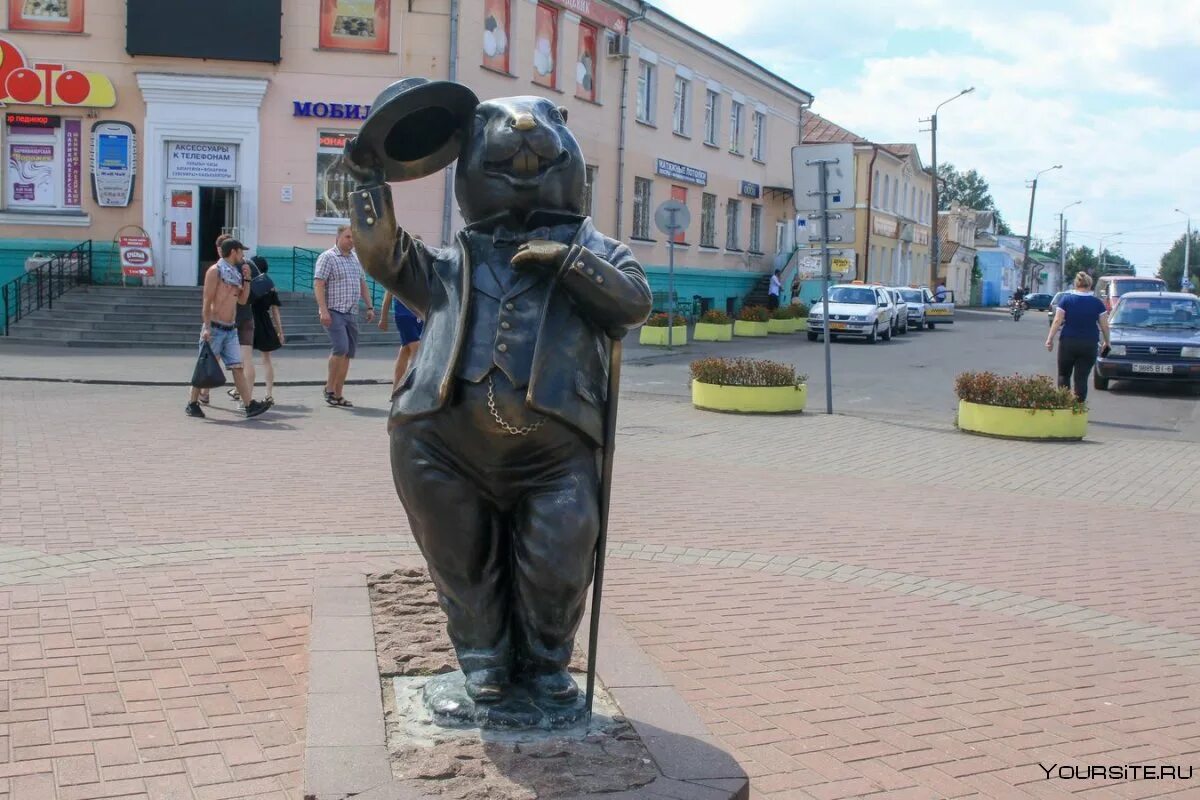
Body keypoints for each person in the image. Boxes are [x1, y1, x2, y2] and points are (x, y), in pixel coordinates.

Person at [185, 239, 271, 419]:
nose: (244, 256)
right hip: (215, 328)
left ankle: (249, 405)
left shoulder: (237, 273)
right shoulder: (215, 271)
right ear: (233, 252)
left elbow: (242, 300)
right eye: (241, 252)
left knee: (237, 367)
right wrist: (207, 327)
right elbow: (206, 301)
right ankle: (192, 403)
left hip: (230, 329)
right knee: (204, 366)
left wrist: (247, 279)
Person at [314, 225, 376, 407]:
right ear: (338, 237)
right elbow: (318, 284)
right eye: (348, 237)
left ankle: (338, 394)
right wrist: (323, 310)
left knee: (348, 353)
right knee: (340, 348)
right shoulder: (327, 257)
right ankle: (329, 388)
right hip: (334, 312)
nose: (352, 241)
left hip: (352, 312)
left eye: (354, 238)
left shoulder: (355, 258)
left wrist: (370, 306)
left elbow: (362, 283)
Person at [1046, 271, 1110, 402]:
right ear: (1089, 285)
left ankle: (1064, 404)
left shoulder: (1066, 300)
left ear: (1076, 284)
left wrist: (1050, 339)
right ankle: (1078, 408)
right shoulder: (1097, 303)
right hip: (1089, 343)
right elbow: (1104, 325)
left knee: (1064, 375)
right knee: (1081, 378)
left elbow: (1057, 321)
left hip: (1068, 342)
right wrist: (1107, 342)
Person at [249, 255, 284, 404]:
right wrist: (280, 331)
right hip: (265, 323)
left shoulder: (249, 283)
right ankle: (269, 394)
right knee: (267, 360)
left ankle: (245, 394)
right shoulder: (270, 285)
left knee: (245, 360)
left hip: (249, 322)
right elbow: (275, 311)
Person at [379, 289, 423, 396]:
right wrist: (383, 318)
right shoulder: (400, 273)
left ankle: (396, 390)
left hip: (420, 316)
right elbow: (388, 294)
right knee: (417, 350)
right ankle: (410, 388)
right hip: (404, 316)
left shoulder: (423, 273)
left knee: (405, 350)